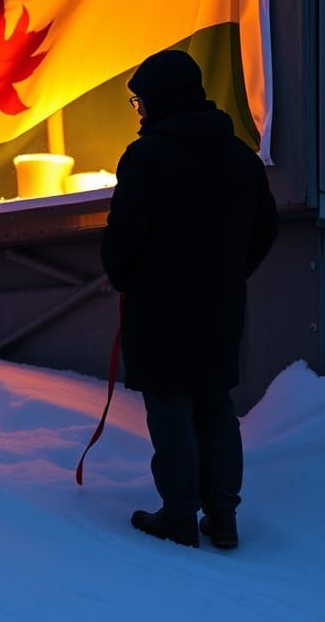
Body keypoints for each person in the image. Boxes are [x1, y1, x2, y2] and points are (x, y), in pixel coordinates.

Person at [100, 49, 278, 549]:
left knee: (169, 400)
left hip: (159, 305)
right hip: (220, 305)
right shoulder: (241, 157)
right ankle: (223, 517)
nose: (139, 110)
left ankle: (179, 515)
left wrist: (125, 276)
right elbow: (266, 228)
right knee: (215, 402)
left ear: (160, 99)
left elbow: (124, 235)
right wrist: (230, 273)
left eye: (140, 101)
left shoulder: (146, 157)